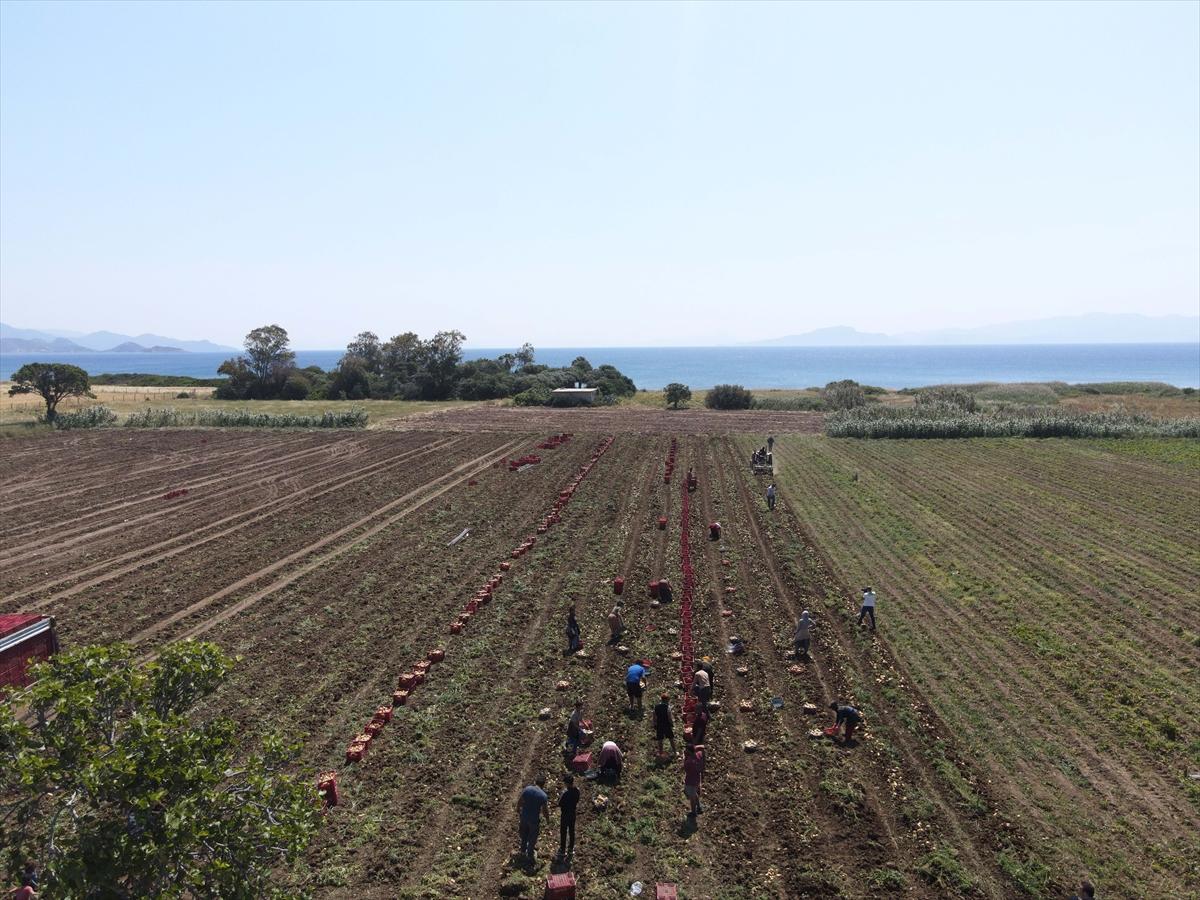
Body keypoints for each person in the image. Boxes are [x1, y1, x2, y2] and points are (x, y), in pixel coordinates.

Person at [517, 774, 551, 863]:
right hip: (533, 820)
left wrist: (518, 810)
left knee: (524, 835)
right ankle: (529, 855)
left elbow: (520, 801)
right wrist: (547, 819)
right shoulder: (543, 796)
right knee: (532, 837)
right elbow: (545, 811)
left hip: (524, 817)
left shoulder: (527, 789)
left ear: (535, 782)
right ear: (543, 784)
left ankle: (522, 852)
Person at [557, 774, 579, 859]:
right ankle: (571, 849)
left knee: (563, 831)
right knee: (571, 830)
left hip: (565, 814)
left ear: (566, 783)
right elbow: (577, 800)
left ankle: (562, 850)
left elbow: (559, 803)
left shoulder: (565, 792)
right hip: (572, 813)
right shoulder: (577, 790)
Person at [683, 743, 705, 817]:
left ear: (688, 752)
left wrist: (685, 758)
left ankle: (693, 812)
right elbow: (702, 747)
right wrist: (695, 747)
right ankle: (699, 807)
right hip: (697, 778)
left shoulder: (689, 762)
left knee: (692, 797)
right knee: (695, 793)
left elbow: (685, 769)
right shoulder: (699, 755)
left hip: (690, 781)